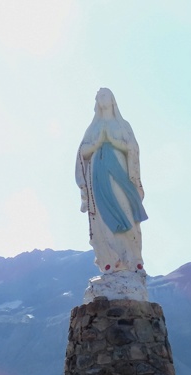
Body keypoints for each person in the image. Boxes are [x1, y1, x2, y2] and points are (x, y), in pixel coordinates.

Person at [75, 88, 148, 284]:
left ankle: (132, 258)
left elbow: (133, 147)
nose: (101, 98)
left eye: (105, 94)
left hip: (119, 174)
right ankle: (112, 260)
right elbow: (82, 152)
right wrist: (99, 141)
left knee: (125, 211)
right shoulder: (93, 128)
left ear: (113, 100)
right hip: (98, 176)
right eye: (98, 96)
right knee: (103, 217)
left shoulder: (122, 125)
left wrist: (114, 141)